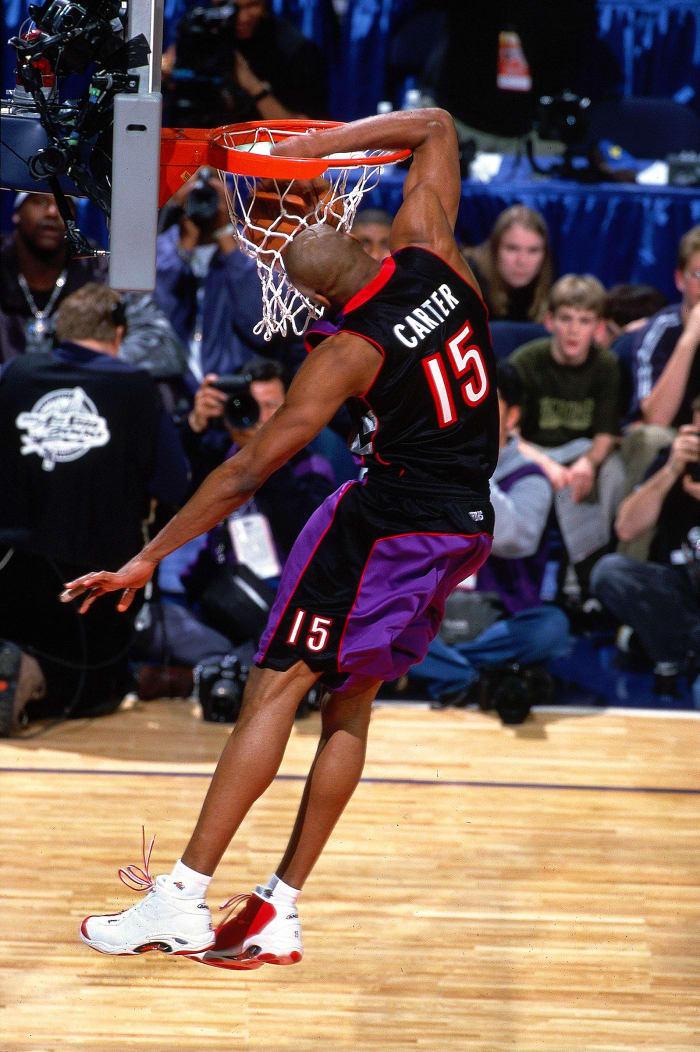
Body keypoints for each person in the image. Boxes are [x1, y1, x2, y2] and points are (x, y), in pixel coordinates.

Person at [63, 107, 499, 968]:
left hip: (389, 526)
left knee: (271, 691)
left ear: (317, 301)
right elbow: (438, 127)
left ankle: (182, 899)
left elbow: (245, 471)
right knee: (350, 704)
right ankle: (277, 907)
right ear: (367, 243)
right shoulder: (434, 253)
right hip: (462, 526)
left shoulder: (347, 352)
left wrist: (148, 555)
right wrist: (315, 151)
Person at [0, 284, 189, 735]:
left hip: (14, 566)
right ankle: (35, 680)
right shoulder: (136, 386)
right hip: (99, 575)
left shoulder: (13, 373)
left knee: (22, 643)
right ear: (118, 334)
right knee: (99, 688)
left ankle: (19, 673)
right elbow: (173, 483)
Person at [406, 361, 569, 719]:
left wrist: (472, 469)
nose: (472, 413)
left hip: (496, 618)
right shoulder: (426, 467)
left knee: (552, 628)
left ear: (513, 416)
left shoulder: (530, 477)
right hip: (432, 612)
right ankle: (479, 676)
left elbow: (515, 539)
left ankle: (448, 671)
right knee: (381, 620)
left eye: (485, 402)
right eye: (465, 401)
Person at [510, 274, 625, 594]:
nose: (574, 330)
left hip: (580, 454)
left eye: (584, 321)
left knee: (613, 471)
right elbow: (509, 433)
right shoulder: (526, 361)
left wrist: (588, 463)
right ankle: (528, 586)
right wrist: (547, 466)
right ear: (550, 321)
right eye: (566, 319)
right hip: (532, 453)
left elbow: (606, 433)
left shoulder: (607, 365)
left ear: (598, 328)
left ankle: (586, 578)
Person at [0, 192, 187, 384]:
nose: (52, 212)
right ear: (16, 213)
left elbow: (165, 349)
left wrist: (81, 364)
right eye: (39, 202)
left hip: (85, 391)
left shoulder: (101, 270)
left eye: (64, 205)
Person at [590, 394, 700, 699]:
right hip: (680, 588)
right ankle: (685, 647)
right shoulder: (675, 460)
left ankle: (671, 648)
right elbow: (627, 528)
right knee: (610, 571)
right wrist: (671, 470)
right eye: (697, 434)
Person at [154, 171, 283, 394]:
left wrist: (227, 237)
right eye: (190, 181)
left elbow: (262, 324)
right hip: (173, 389)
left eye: (212, 182)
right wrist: (182, 250)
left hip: (238, 389)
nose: (202, 192)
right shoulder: (158, 251)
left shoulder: (256, 250)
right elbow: (157, 321)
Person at [162, 0, 329, 129]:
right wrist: (162, 79)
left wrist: (251, 84)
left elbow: (306, 132)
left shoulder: (294, 50)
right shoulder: (200, 34)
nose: (242, 17)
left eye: (252, 6)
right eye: (232, 8)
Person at [629, 224, 700, 432]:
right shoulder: (660, 330)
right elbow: (656, 420)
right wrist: (690, 339)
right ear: (680, 280)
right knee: (652, 437)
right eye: (698, 275)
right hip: (667, 437)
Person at [465, 205, 552, 323]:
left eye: (533, 250)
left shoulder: (551, 287)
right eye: (512, 248)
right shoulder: (465, 278)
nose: (522, 261)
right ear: (494, 249)